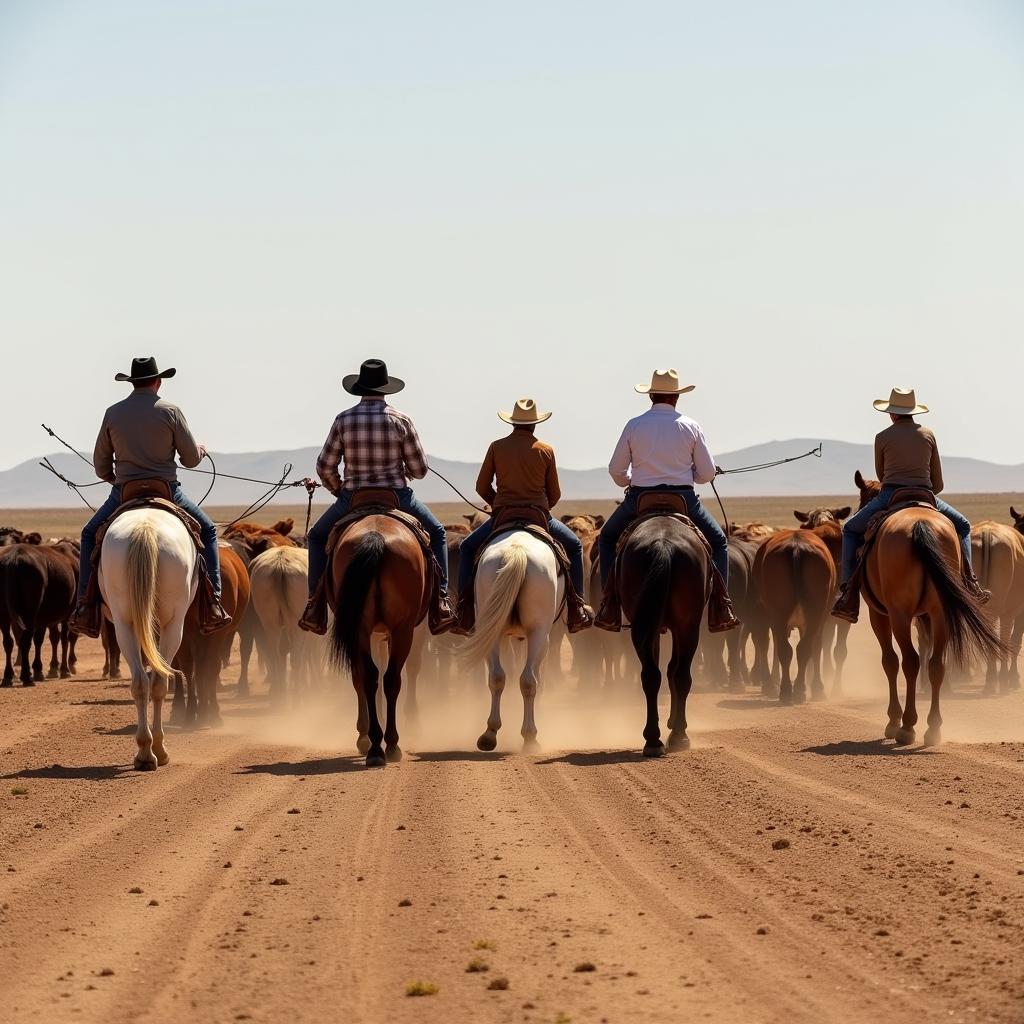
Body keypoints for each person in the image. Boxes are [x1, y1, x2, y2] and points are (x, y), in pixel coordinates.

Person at [68, 356, 229, 638]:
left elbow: (100, 466)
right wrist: (201, 450)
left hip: (124, 492)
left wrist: (116, 479)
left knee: (88, 534)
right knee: (209, 530)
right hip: (167, 490)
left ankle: (84, 605)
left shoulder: (113, 413)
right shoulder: (171, 411)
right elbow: (190, 459)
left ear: (132, 383)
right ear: (158, 381)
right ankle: (213, 602)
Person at [299, 358, 455, 635]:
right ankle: (441, 601)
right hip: (396, 496)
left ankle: (315, 605)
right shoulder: (401, 420)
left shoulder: (343, 419)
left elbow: (325, 466)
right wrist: (403, 469)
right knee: (438, 532)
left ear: (359, 388)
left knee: (316, 537)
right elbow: (419, 469)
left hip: (353, 498)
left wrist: (338, 489)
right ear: (386, 389)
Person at [594, 368, 739, 633]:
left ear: (650, 395)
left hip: (640, 498)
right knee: (718, 541)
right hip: (683, 499)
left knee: (606, 538)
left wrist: (632, 479)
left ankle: (609, 603)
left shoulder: (634, 424)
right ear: (676, 397)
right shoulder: (691, 426)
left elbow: (616, 470)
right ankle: (721, 605)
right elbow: (706, 474)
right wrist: (691, 473)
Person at [831, 387, 989, 623]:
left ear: (892, 413)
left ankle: (848, 592)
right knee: (964, 526)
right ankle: (971, 583)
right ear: (914, 412)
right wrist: (924, 495)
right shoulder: (928, 435)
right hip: (926, 493)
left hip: (890, 495)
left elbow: (882, 475)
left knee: (850, 529)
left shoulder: (882, 437)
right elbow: (939, 482)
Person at [450, 398, 594, 637]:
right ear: (535, 424)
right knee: (575, 546)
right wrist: (541, 506)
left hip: (502, 516)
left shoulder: (497, 447)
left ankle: (464, 611)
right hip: (538, 516)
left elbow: (481, 486)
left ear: (513, 423)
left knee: (467, 548)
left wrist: (498, 502)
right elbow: (555, 493)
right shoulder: (545, 450)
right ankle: (577, 607)